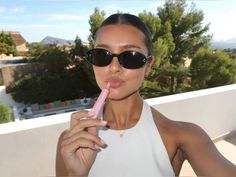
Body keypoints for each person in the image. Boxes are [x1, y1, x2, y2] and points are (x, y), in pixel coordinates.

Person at [56, 13, 236, 177]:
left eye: (131, 56)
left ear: (148, 65)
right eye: (102, 55)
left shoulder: (182, 136)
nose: (113, 67)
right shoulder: (71, 141)